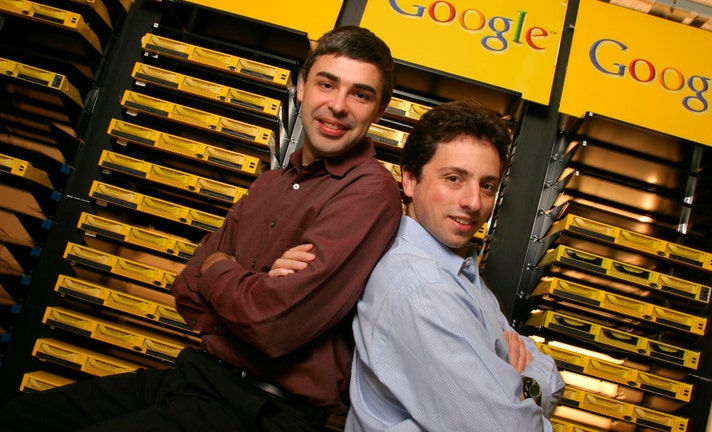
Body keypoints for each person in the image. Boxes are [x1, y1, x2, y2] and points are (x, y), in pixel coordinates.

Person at [0, 25, 402, 432]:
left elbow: (273, 324)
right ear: (301, 87)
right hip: (194, 377)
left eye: (360, 94)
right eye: (326, 84)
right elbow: (186, 288)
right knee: (19, 418)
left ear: (379, 111)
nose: (337, 105)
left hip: (261, 410)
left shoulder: (370, 194)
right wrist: (249, 287)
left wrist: (220, 269)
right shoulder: (272, 183)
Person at [345, 100, 565, 431]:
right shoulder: (424, 289)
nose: (474, 202)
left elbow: (547, 369)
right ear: (409, 180)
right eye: (453, 178)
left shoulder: (458, 271)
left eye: (487, 185)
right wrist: (523, 383)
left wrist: (523, 388)